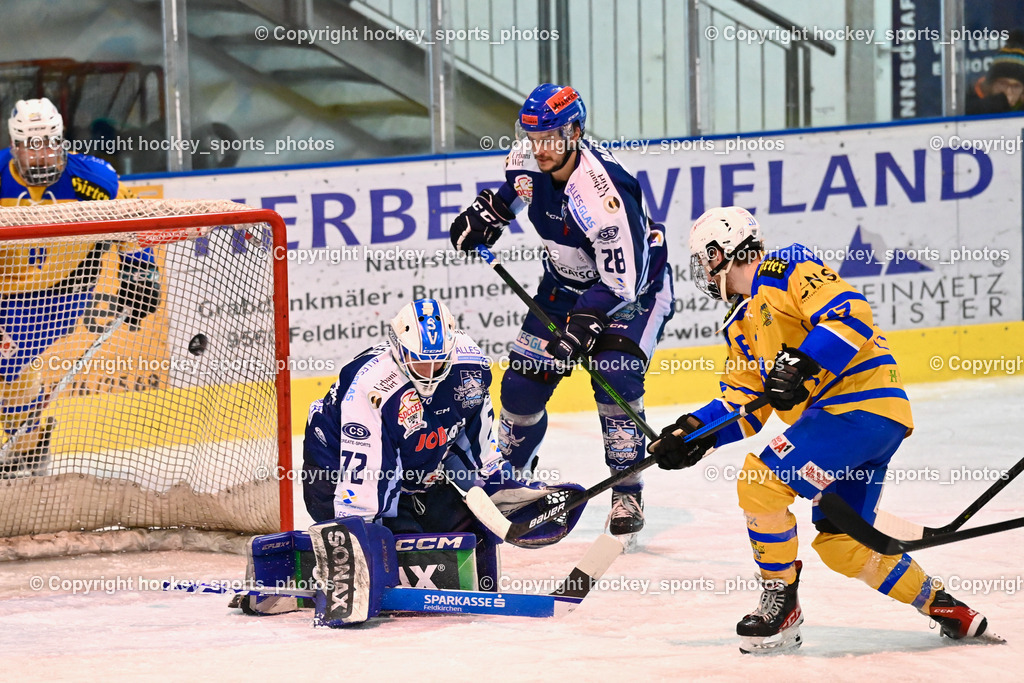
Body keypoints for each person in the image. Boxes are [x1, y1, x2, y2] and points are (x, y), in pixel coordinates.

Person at [650, 206, 990, 653]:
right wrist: (691, 434)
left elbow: (851, 313)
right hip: (860, 428)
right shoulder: (741, 325)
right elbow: (744, 406)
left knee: (760, 482)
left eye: (704, 259)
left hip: (858, 406)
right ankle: (945, 607)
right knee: (841, 545)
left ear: (721, 253)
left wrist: (804, 361)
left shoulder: (784, 267)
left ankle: (781, 601)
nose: (703, 271)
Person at [449, 83, 673, 548]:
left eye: (550, 137)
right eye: (533, 136)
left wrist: (585, 325)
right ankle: (510, 478)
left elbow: (623, 283)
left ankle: (627, 491)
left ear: (575, 131)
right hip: (563, 287)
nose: (540, 147)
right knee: (521, 385)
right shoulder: (528, 158)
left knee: (615, 376)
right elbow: (515, 193)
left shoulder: (602, 196)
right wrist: (488, 214)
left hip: (634, 293)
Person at [302, 297, 582, 541]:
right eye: (421, 361)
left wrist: (497, 484)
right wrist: (362, 537)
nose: (431, 371)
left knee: (469, 527)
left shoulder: (469, 366)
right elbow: (366, 481)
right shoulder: (372, 386)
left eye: (439, 361)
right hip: (335, 474)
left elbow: (474, 445)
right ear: (398, 350)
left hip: (409, 475)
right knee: (393, 546)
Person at [0, 97, 160, 477]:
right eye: (30, 146)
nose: (41, 155)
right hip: (4, 290)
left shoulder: (93, 179)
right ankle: (30, 447)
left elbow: (132, 224)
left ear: (61, 139)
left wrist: (140, 275)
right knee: (9, 372)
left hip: (61, 294)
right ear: (15, 145)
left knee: (7, 361)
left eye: (49, 144)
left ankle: (27, 451)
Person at [966, 30, 1024, 115]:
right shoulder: (969, 99)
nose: (1008, 92)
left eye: (1016, 86)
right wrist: (990, 105)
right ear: (990, 83)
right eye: (1002, 84)